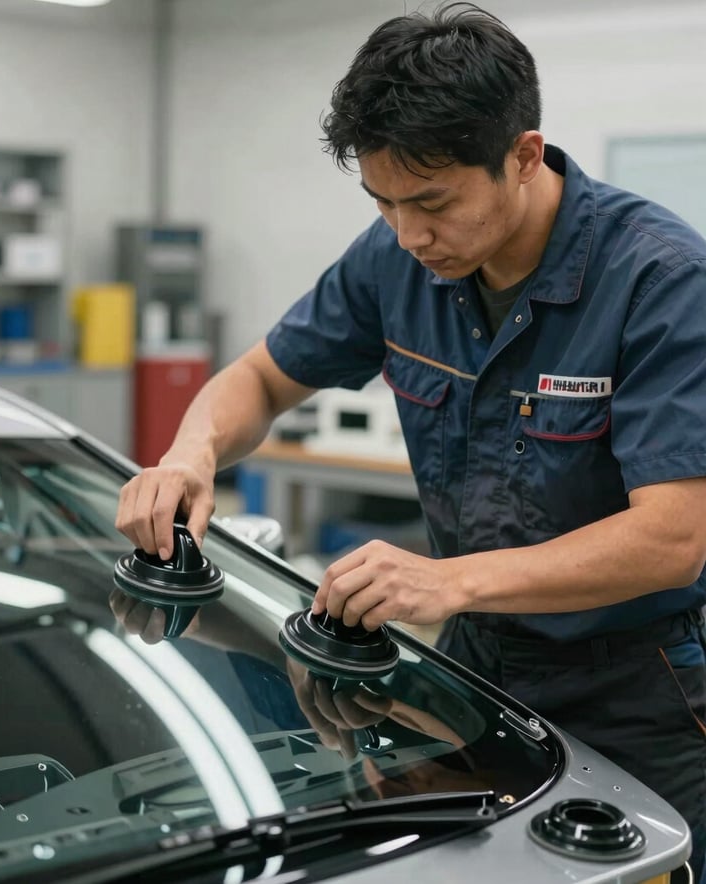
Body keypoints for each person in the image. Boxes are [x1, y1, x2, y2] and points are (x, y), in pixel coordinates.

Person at [116, 3, 706, 879]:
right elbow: (261, 379)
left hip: (638, 690)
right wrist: (189, 454)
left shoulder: (660, 279)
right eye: (382, 202)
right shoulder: (395, 259)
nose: (407, 233)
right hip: (476, 669)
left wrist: (445, 579)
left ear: (523, 156)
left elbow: (675, 538)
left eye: (431, 201)